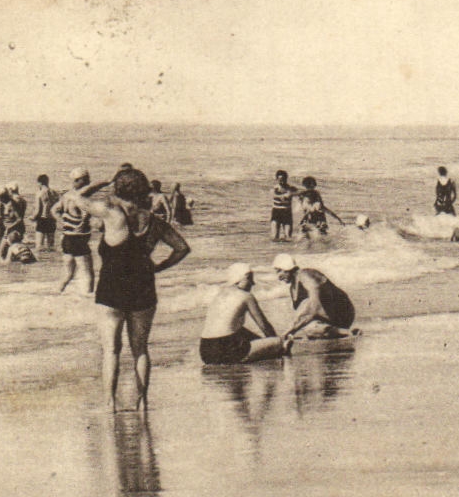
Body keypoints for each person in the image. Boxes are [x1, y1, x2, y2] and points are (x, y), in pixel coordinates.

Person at [79, 167, 192, 411]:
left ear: (118, 189)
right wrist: (160, 267)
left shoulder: (112, 215)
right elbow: (182, 247)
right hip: (143, 289)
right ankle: (141, 402)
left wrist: (102, 182)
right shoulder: (155, 222)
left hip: (111, 290)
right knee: (140, 349)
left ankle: (110, 403)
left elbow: (77, 198)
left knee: (111, 350)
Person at [199, 263, 289, 364]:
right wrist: (275, 343)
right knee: (280, 342)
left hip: (206, 352)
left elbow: (237, 330)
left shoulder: (219, 295)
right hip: (228, 350)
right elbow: (264, 325)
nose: (253, 283)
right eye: (250, 279)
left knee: (240, 331)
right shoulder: (246, 296)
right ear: (241, 278)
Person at [271, 253, 358, 339]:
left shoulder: (306, 275)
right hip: (329, 317)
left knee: (306, 308)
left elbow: (314, 306)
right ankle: (342, 331)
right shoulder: (293, 288)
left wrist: (290, 330)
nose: (279, 277)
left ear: (288, 268)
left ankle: (344, 332)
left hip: (343, 313)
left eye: (279, 271)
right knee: (310, 329)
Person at [57, 168, 96, 294]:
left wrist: (62, 221)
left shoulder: (66, 195)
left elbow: (54, 210)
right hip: (78, 238)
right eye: (86, 179)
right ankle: (88, 298)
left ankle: (57, 292)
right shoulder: (81, 197)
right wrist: (83, 223)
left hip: (67, 237)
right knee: (87, 272)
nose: (89, 181)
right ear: (78, 180)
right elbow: (86, 214)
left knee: (68, 272)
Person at [31, 174, 60, 251]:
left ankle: (42, 260)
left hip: (42, 220)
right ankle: (51, 260)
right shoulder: (54, 193)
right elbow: (58, 208)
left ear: (40, 183)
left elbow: (38, 211)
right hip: (52, 220)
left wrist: (32, 218)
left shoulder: (39, 193)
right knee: (51, 246)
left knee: (39, 247)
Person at [270, 169, 296, 241]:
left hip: (286, 212)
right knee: (274, 237)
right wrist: (284, 196)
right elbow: (274, 195)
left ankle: (286, 251)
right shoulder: (275, 188)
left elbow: (300, 193)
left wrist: (291, 193)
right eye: (280, 179)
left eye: (283, 179)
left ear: (286, 179)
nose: (282, 181)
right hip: (276, 212)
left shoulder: (291, 188)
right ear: (277, 179)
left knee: (288, 237)